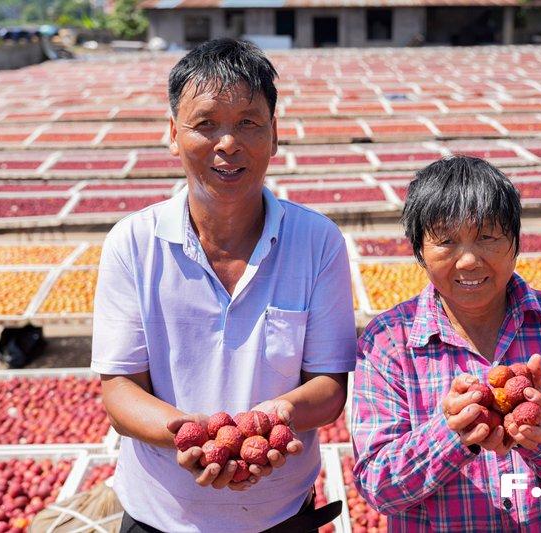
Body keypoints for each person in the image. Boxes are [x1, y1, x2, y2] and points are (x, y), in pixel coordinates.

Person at [91, 38, 356, 532]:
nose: (228, 143)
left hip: (281, 516)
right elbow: (119, 390)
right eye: (206, 124)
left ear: (274, 135)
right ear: (174, 134)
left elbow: (329, 385)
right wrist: (186, 434)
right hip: (158, 518)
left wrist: (277, 416)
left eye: (249, 123)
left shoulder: (318, 241)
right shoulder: (133, 243)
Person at [351, 156, 541, 531]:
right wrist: (450, 434)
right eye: (446, 241)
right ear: (419, 251)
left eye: (487, 237)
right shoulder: (387, 342)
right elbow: (377, 487)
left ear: (516, 242)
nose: (468, 260)